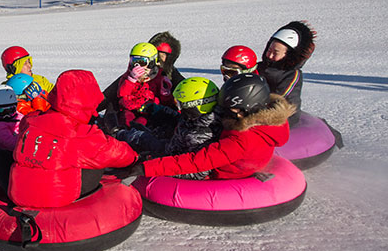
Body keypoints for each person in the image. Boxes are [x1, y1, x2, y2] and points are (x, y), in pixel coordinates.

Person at [117, 73, 295, 180]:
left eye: (230, 108)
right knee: (153, 134)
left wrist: (145, 167)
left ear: (247, 108)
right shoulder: (262, 124)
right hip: (201, 155)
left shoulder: (241, 140)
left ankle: (121, 136)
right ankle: (128, 134)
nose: (224, 112)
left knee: (149, 146)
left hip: (209, 173)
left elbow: (196, 162)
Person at [6, 70, 138, 208]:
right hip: (56, 199)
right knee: (96, 161)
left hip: (17, 195)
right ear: (88, 98)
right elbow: (115, 153)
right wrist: (135, 157)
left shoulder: (31, 119)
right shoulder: (80, 134)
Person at [115, 77, 223, 179]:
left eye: (181, 104)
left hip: (173, 163)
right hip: (172, 148)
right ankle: (119, 134)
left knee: (143, 141)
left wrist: (152, 164)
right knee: (142, 136)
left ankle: (118, 134)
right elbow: (180, 119)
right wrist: (159, 110)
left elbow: (196, 171)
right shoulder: (197, 118)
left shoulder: (202, 136)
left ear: (196, 105)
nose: (178, 107)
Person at [97, 31, 185, 114]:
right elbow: (108, 96)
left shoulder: (170, 75)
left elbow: (188, 92)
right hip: (133, 112)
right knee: (115, 103)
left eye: (160, 56)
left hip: (158, 115)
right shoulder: (133, 74)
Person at [256, 21, 316, 126]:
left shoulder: (291, 75)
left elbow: (281, 99)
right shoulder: (260, 67)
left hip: (283, 117)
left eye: (276, 53)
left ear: (288, 54)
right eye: (269, 50)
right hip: (256, 109)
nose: (270, 56)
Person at [117, 43, 175, 128]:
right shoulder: (128, 76)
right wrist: (131, 80)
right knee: (126, 118)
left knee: (142, 122)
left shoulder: (159, 77)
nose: (137, 65)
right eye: (134, 61)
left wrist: (165, 92)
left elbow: (166, 102)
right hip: (131, 108)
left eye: (142, 62)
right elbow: (121, 94)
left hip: (149, 111)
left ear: (151, 62)